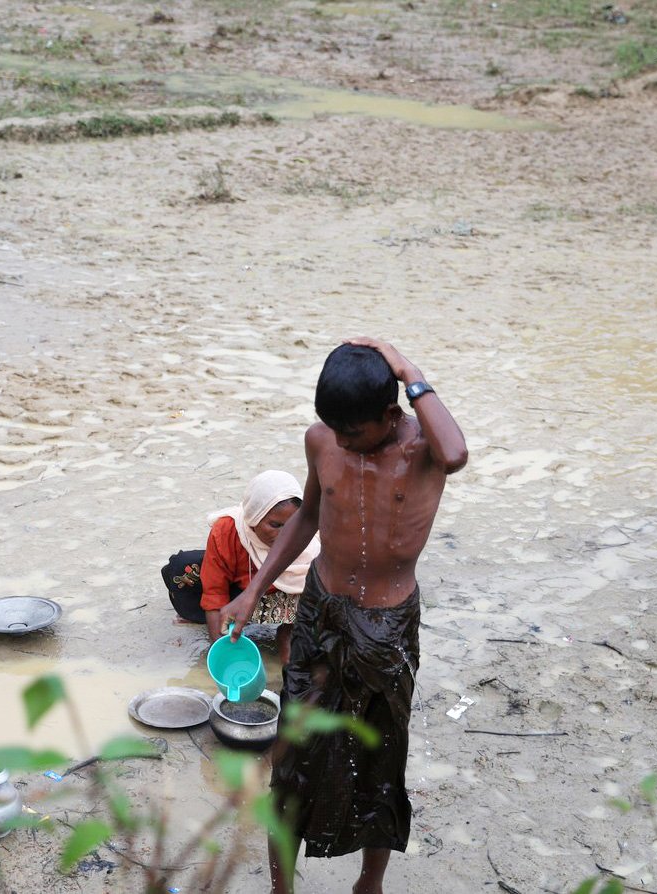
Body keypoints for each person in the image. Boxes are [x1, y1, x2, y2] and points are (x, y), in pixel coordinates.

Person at [219, 339, 467, 894]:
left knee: (381, 758)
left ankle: (369, 883)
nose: (344, 443)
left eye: (354, 432)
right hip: (320, 611)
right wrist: (253, 592)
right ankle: (284, 886)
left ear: (389, 413)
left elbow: (456, 454)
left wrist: (409, 368)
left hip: (387, 624)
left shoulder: (424, 447)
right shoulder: (322, 440)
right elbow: (308, 513)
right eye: (335, 429)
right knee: (293, 754)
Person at [161, 470, 320, 662]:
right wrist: (219, 644)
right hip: (239, 596)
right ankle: (201, 616)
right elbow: (214, 591)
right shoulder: (227, 530)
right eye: (275, 525)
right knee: (183, 568)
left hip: (285, 597)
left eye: (292, 524)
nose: (285, 533)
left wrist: (294, 632)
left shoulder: (309, 538)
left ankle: (287, 632)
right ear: (253, 518)